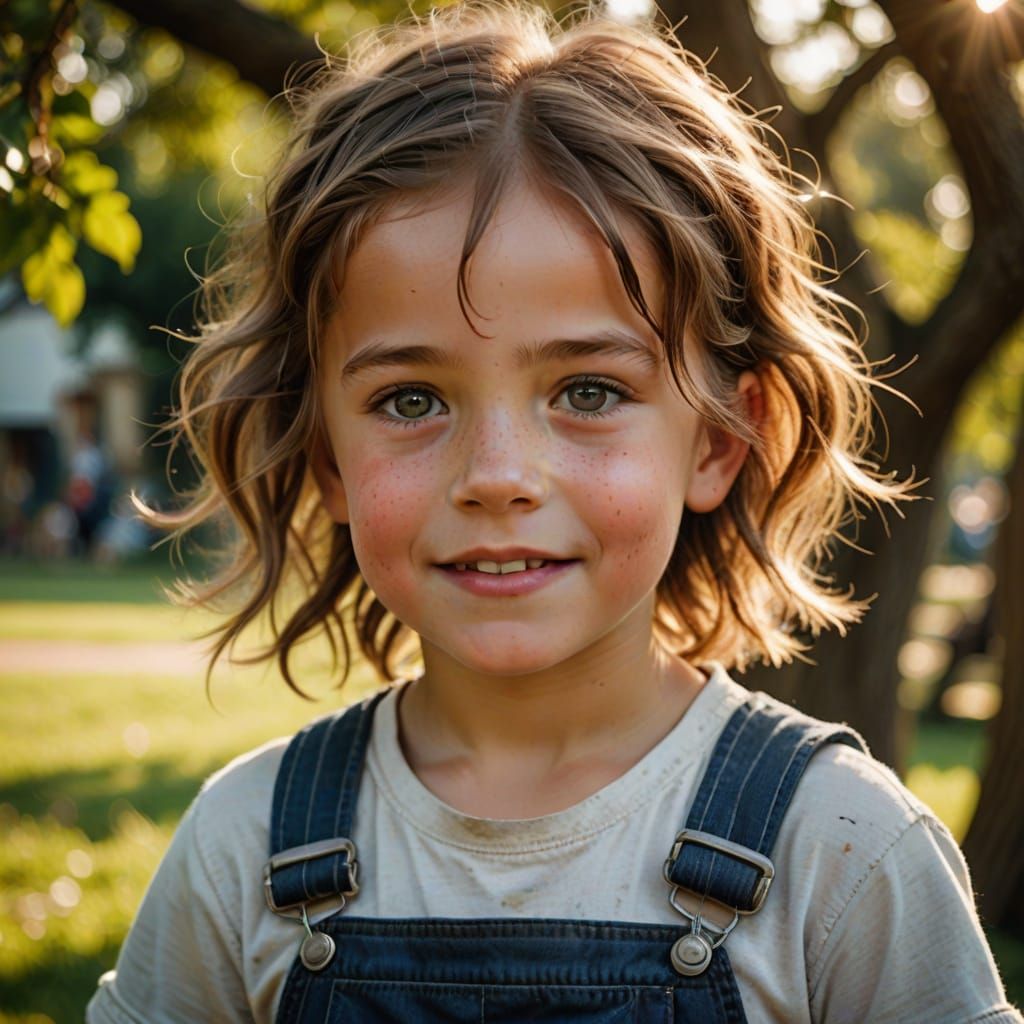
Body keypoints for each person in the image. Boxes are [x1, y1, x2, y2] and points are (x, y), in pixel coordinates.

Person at [87, 3, 1020, 1021]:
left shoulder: (840, 850)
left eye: (586, 391)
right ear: (329, 462)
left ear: (716, 440)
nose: (497, 475)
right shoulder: (245, 848)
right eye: (411, 400)